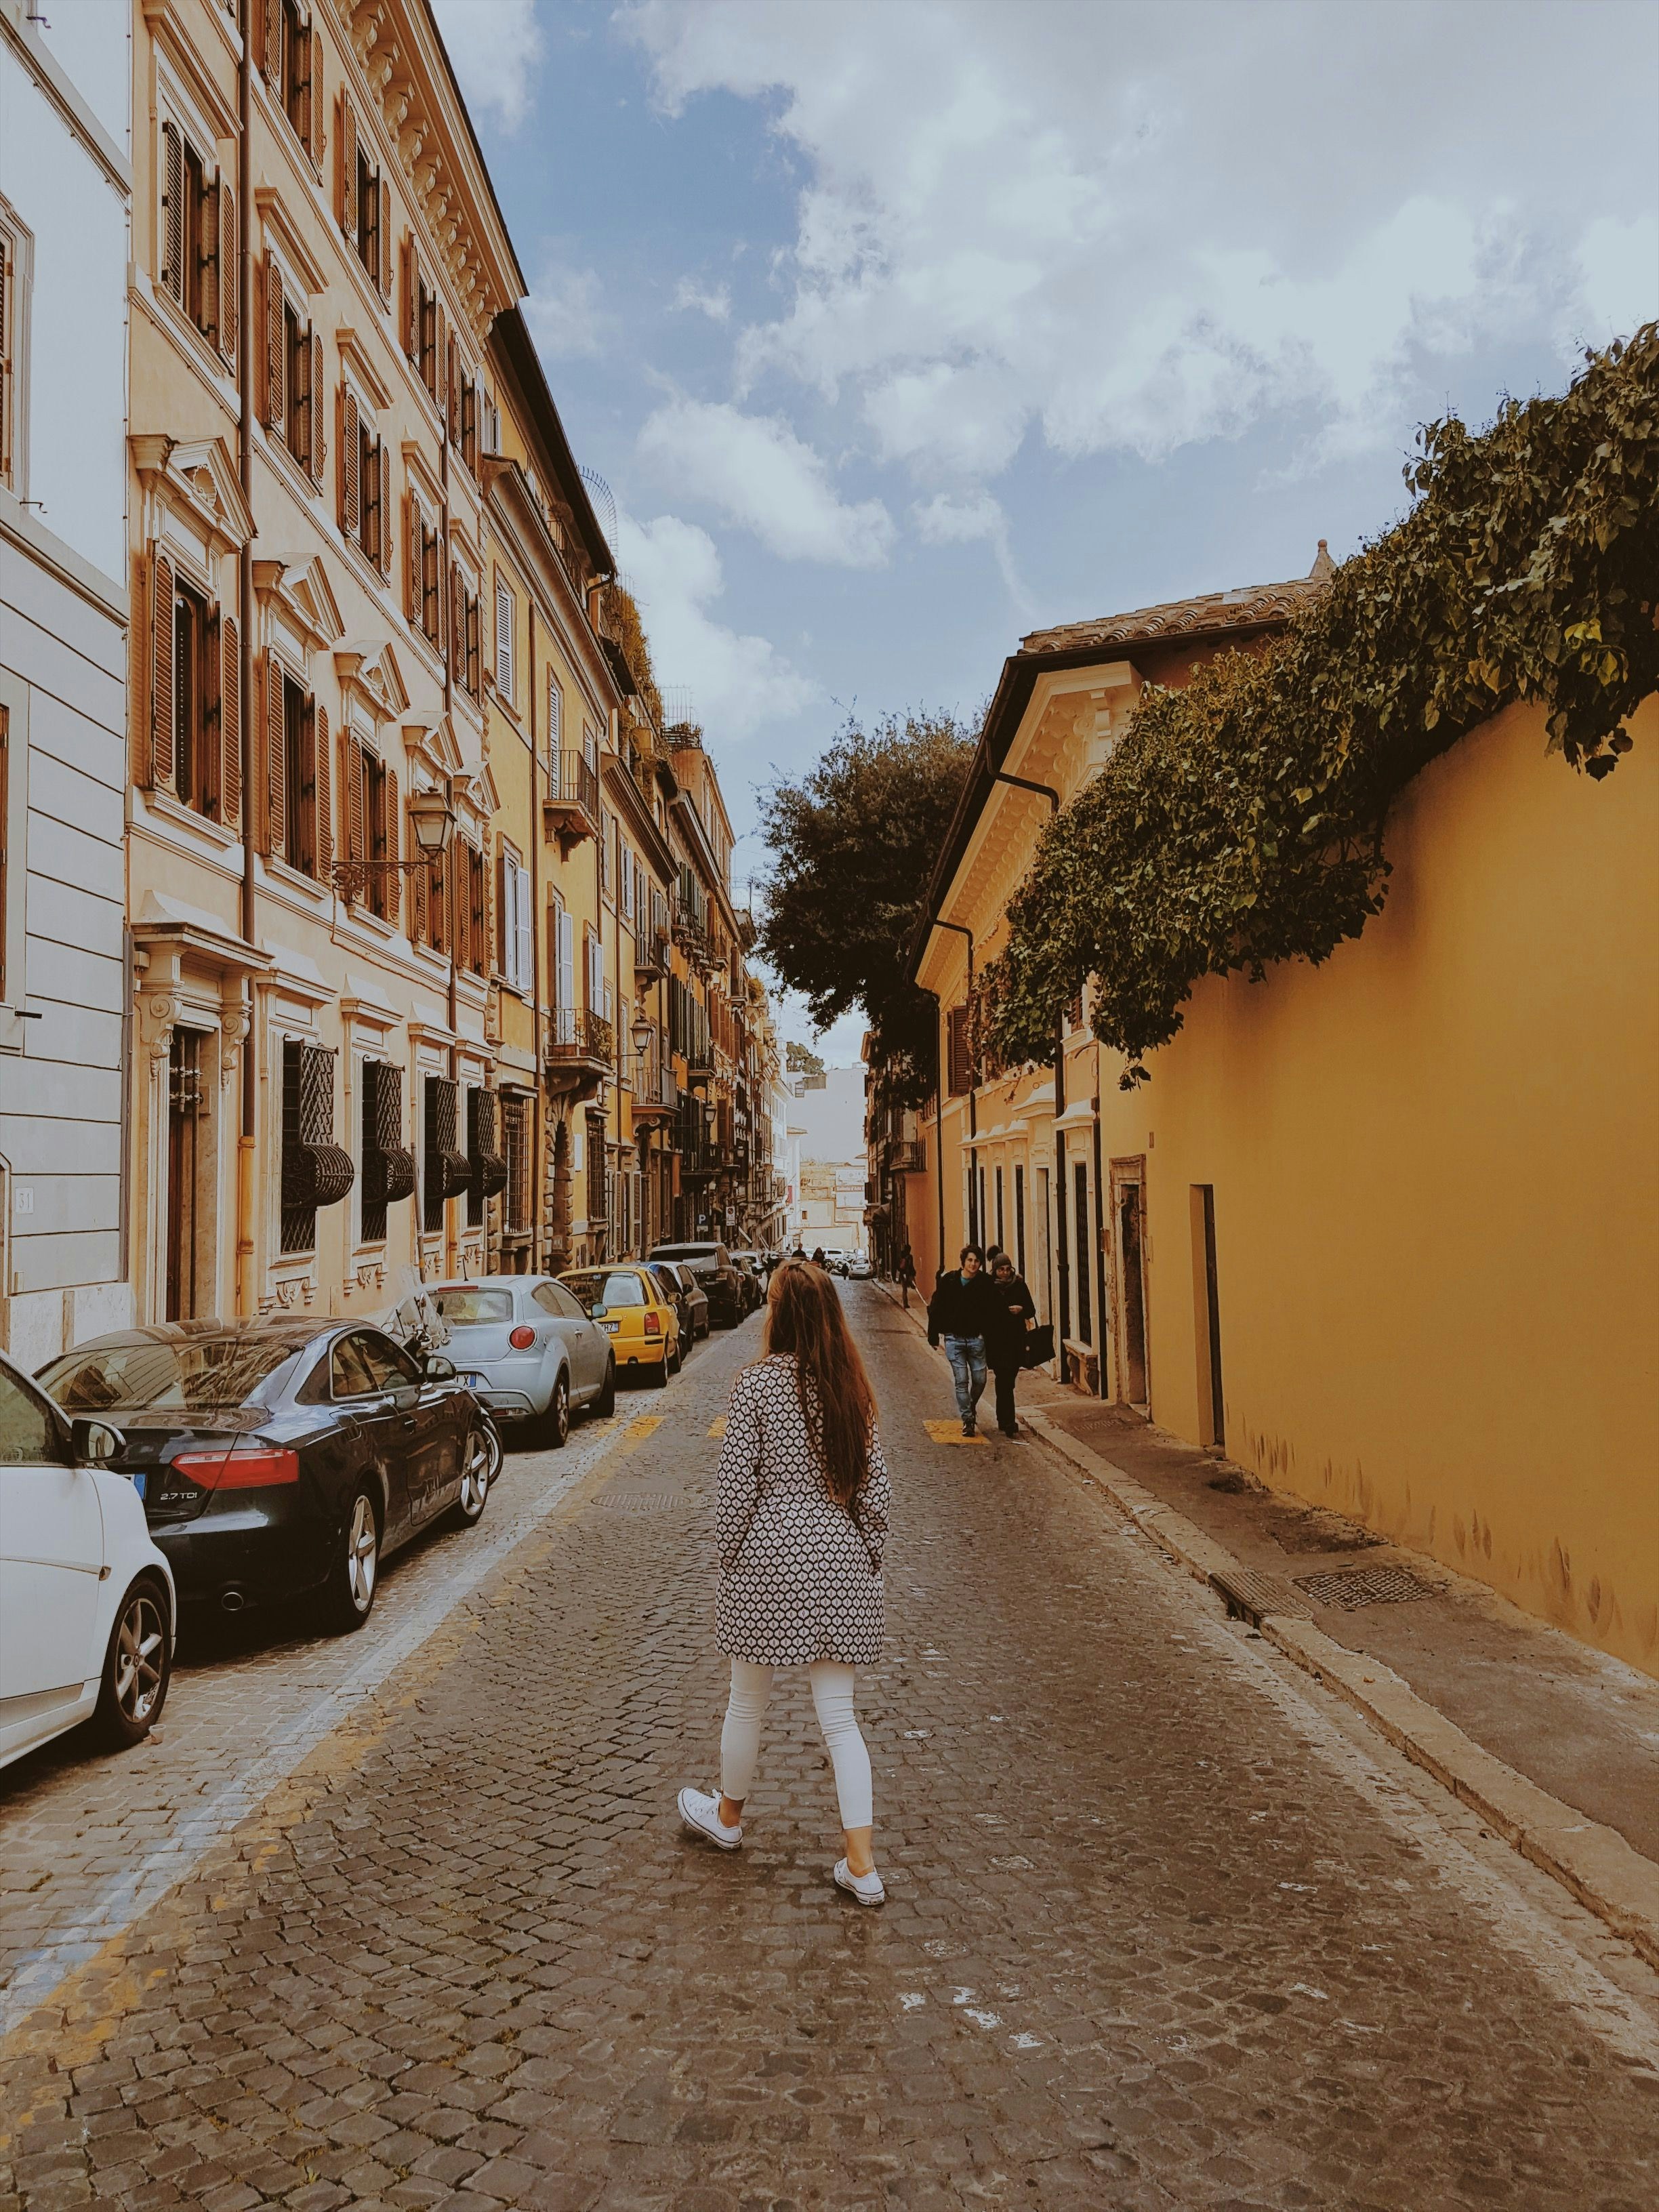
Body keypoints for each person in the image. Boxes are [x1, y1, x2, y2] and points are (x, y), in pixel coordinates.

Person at [678, 1258, 893, 1906]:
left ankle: (728, 1820)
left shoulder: (756, 1387)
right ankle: (862, 1865)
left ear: (779, 1314)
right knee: (840, 1720)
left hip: (768, 1558)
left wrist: (732, 1558)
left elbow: (736, 1489)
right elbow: (876, 1492)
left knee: (747, 1701)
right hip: (840, 1556)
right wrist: (865, 1556)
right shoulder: (851, 1387)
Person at [926, 1244, 1002, 1437]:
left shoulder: (985, 1283)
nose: (974, 1264)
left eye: (977, 1261)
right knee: (961, 1381)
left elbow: (996, 1311)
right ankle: (968, 1420)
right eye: (970, 1260)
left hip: (977, 1340)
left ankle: (971, 1405)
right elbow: (935, 1308)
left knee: (980, 1379)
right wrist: (934, 1336)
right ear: (963, 1262)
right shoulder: (949, 1281)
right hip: (954, 1340)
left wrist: (989, 1336)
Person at [986, 1252, 1038, 1439]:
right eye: (1001, 1270)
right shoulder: (989, 1288)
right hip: (996, 1342)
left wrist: (1021, 1309)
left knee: (1008, 1381)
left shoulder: (1019, 1286)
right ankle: (1008, 1421)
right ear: (995, 1270)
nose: (1005, 1273)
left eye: (1008, 1269)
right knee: (1004, 1380)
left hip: (1016, 1340)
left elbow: (1031, 1310)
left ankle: (1003, 1417)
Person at [897, 1242, 917, 1311]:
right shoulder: (909, 1257)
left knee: (904, 1290)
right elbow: (911, 1266)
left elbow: (900, 1267)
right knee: (909, 1288)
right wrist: (913, 1272)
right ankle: (906, 1304)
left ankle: (905, 1303)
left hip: (903, 1275)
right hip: (907, 1274)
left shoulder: (902, 1256)